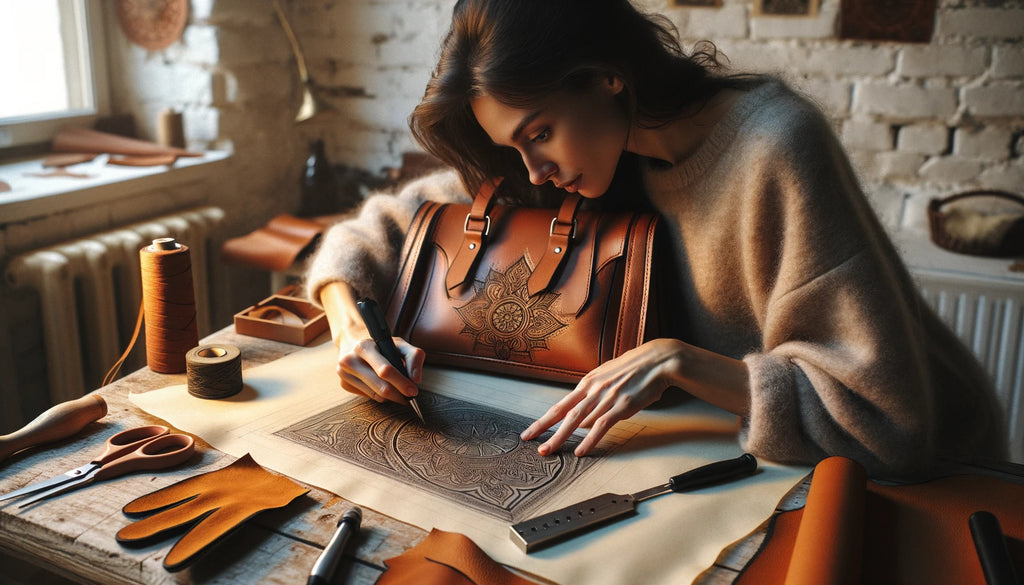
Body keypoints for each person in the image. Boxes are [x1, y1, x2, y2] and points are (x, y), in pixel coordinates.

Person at [305, 0, 1006, 477]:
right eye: (515, 148)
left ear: (608, 75)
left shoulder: (774, 146)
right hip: (768, 461)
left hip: (935, 471)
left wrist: (680, 361)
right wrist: (348, 325)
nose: (534, 170)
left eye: (539, 133)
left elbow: (885, 420)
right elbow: (379, 227)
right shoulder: (594, 157)